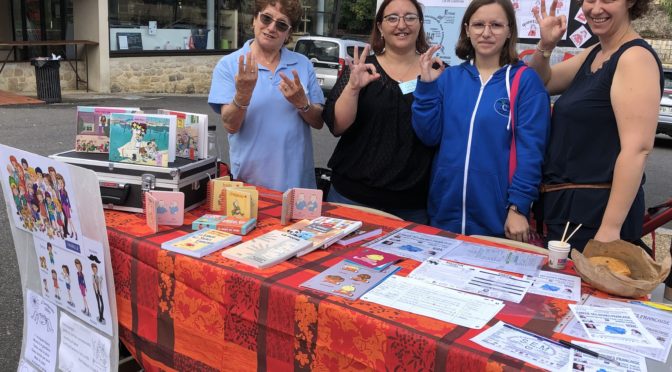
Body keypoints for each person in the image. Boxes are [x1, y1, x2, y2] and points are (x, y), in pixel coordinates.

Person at [529, 0, 663, 251]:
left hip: (596, 218)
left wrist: (609, 230)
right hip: (568, 211)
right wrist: (545, 46)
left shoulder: (634, 58)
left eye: (608, 0)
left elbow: (637, 150)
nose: (596, 8)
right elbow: (539, 84)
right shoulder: (597, 52)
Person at [412, 0, 550, 241]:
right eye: (478, 24)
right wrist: (426, 87)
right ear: (467, 29)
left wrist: (518, 206)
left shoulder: (525, 81)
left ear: (509, 31)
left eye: (496, 25)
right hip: (444, 213)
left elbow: (532, 152)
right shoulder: (450, 77)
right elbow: (428, 135)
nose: (486, 33)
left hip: (498, 219)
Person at [321, 0, 435, 224]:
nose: (401, 24)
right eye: (392, 18)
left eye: (410, 17)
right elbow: (337, 126)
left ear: (420, 24)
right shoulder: (361, 68)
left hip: (411, 206)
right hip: (352, 198)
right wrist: (353, 87)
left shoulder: (437, 72)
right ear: (380, 26)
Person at [208, 0, 325, 192]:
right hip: (249, 185)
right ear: (255, 19)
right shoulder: (229, 65)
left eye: (281, 24)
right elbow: (230, 125)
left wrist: (302, 104)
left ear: (288, 33)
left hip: (298, 186)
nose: (271, 28)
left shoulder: (302, 64)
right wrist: (243, 95)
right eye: (266, 18)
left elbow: (319, 121)